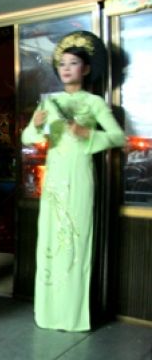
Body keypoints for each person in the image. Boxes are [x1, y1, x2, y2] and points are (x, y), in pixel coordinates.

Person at [21, 31, 125, 332]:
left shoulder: (94, 103)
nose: (66, 68)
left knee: (76, 242)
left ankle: (72, 316)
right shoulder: (50, 102)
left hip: (79, 176)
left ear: (86, 68)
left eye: (74, 63)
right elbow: (27, 139)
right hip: (54, 178)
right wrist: (35, 126)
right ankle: (48, 313)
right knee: (50, 241)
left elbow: (118, 137)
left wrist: (87, 134)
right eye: (62, 64)